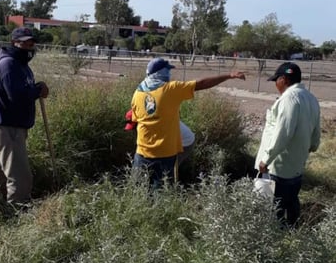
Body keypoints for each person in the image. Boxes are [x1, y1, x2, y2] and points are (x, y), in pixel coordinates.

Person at [130, 57, 246, 187]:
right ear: (161, 73)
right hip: (165, 154)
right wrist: (229, 75)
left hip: (141, 152)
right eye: (167, 71)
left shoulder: (137, 93)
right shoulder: (171, 89)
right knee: (162, 193)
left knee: (138, 189)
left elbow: (136, 121)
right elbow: (201, 84)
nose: (169, 74)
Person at [255, 62, 321, 227]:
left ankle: (277, 241)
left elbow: (282, 134)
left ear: (283, 79)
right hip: (296, 165)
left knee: (273, 210)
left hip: (278, 168)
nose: (276, 84)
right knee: (291, 204)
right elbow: (316, 133)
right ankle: (292, 237)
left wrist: (266, 160)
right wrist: (310, 147)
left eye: (276, 80)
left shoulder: (289, 99)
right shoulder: (311, 98)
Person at [0, 27, 49, 206]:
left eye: (31, 44)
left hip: (15, 127)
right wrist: (38, 90)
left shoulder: (21, 65)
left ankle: (0, 207)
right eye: (24, 43)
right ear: (14, 43)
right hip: (9, 127)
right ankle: (18, 212)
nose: (29, 48)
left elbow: (24, 89)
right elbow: (16, 95)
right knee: (20, 176)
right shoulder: (9, 65)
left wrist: (36, 87)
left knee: (5, 171)